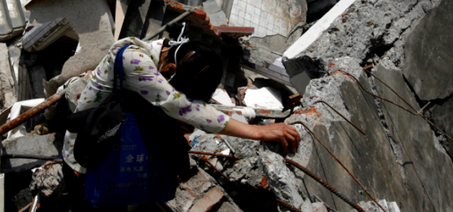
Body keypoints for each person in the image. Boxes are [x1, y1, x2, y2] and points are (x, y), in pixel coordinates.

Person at [61, 31, 301, 210]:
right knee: (97, 202)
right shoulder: (133, 59)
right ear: (171, 69)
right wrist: (259, 132)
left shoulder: (162, 60)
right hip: (91, 153)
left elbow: (180, 105)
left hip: (121, 146)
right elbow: (179, 106)